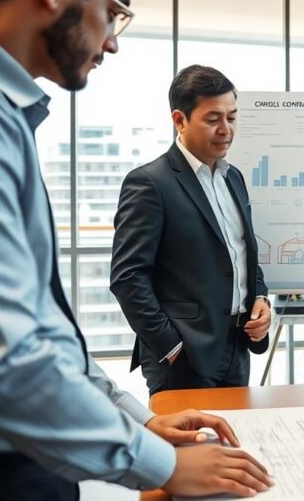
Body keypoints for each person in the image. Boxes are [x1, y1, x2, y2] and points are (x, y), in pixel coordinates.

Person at [0, 0, 272, 499]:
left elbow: (41, 329)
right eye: (113, 12)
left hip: (9, 457)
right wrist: (161, 464)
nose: (113, 41)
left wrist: (136, 421)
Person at [111, 64, 272, 395]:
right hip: (184, 355)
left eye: (232, 117)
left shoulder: (233, 178)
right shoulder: (149, 183)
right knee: (188, 433)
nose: (226, 129)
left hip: (237, 347)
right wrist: (171, 347)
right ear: (179, 120)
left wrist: (261, 299)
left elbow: (243, 255)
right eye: (213, 119)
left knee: (232, 430)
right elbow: (128, 277)